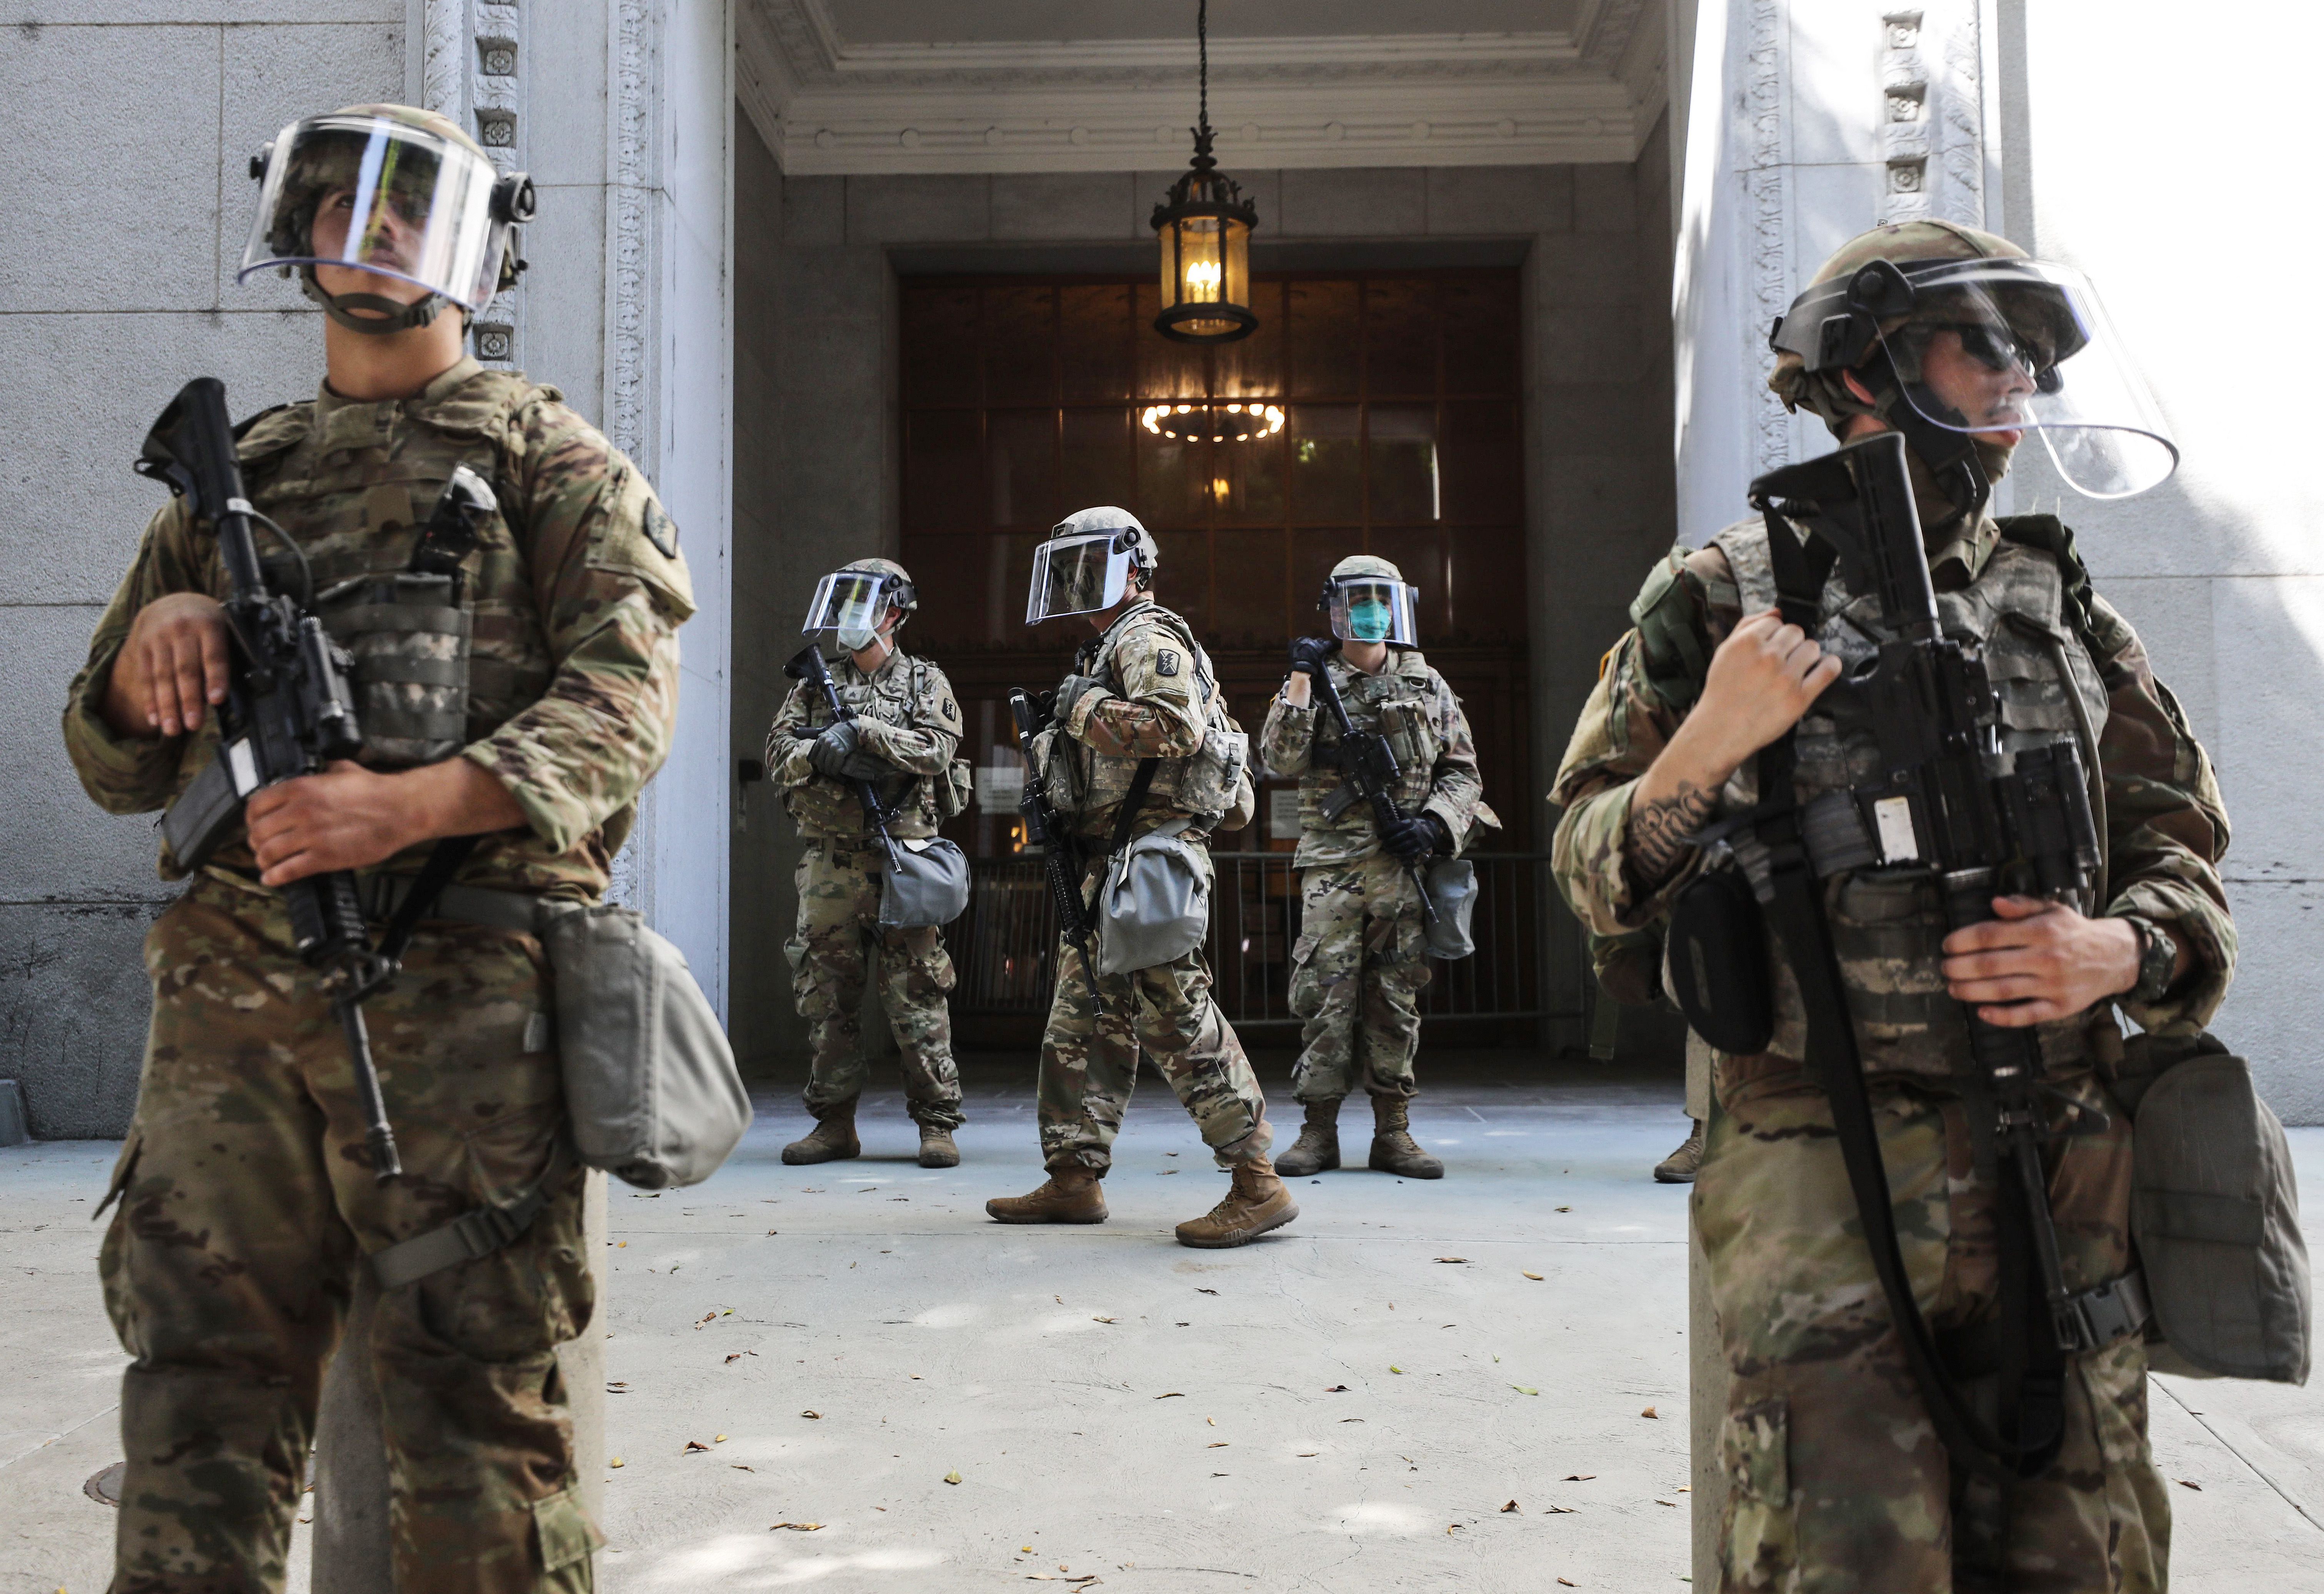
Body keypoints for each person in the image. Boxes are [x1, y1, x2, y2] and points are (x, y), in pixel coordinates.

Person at [63, 105, 693, 1592]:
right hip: (227, 1005)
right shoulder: (228, 487)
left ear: (477, 244)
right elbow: (107, 764)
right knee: (196, 1395)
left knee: (476, 1408)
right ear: (299, 234)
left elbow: (624, 705)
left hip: (465, 999)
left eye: (409, 207)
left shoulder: (556, 464)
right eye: (340, 202)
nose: (373, 230)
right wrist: (150, 648)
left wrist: (414, 804)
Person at [1551, 219, 2231, 1589]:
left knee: (2084, 1559)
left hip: (2059, 1174)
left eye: (2030, 357)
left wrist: (2113, 949)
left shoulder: (2060, 603)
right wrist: (1708, 745)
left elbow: (2185, 864)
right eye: (1982, 343)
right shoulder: (1725, 597)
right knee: (1840, 1558)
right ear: (1867, 363)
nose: (2015, 385)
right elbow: (1591, 873)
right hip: (1824, 1189)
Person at [985, 506, 1293, 1248]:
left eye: (1095, 564)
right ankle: (1073, 1179)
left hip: (1149, 857)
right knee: (1083, 1022)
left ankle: (1258, 1181)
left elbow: (1175, 727)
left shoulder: (1146, 637)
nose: (1080, 581)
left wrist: (1082, 707)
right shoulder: (1107, 644)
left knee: (1177, 1017)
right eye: (1072, 567)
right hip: (1110, 863)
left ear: (1135, 568)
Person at [1256, 555, 1496, 1179]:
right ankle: (1318, 1132)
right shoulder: (1312, 676)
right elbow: (1279, 759)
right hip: (1332, 871)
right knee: (1324, 999)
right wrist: (1302, 681)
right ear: (1334, 611)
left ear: (1394, 608)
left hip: (1401, 864)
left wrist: (1433, 825)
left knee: (1395, 997)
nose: (1365, 613)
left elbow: (1464, 772)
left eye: (1376, 601)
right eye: (1353, 602)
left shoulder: (1427, 684)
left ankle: (1394, 1131)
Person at [764, 559, 970, 1168]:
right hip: (831, 864)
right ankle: (834, 1123)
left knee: (918, 993)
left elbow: (936, 748)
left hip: (903, 856)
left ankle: (937, 1123)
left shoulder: (924, 682)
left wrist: (863, 735)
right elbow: (779, 752)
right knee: (826, 996)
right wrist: (822, 757)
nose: (853, 620)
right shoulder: (812, 684)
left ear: (896, 614)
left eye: (867, 605)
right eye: (846, 604)